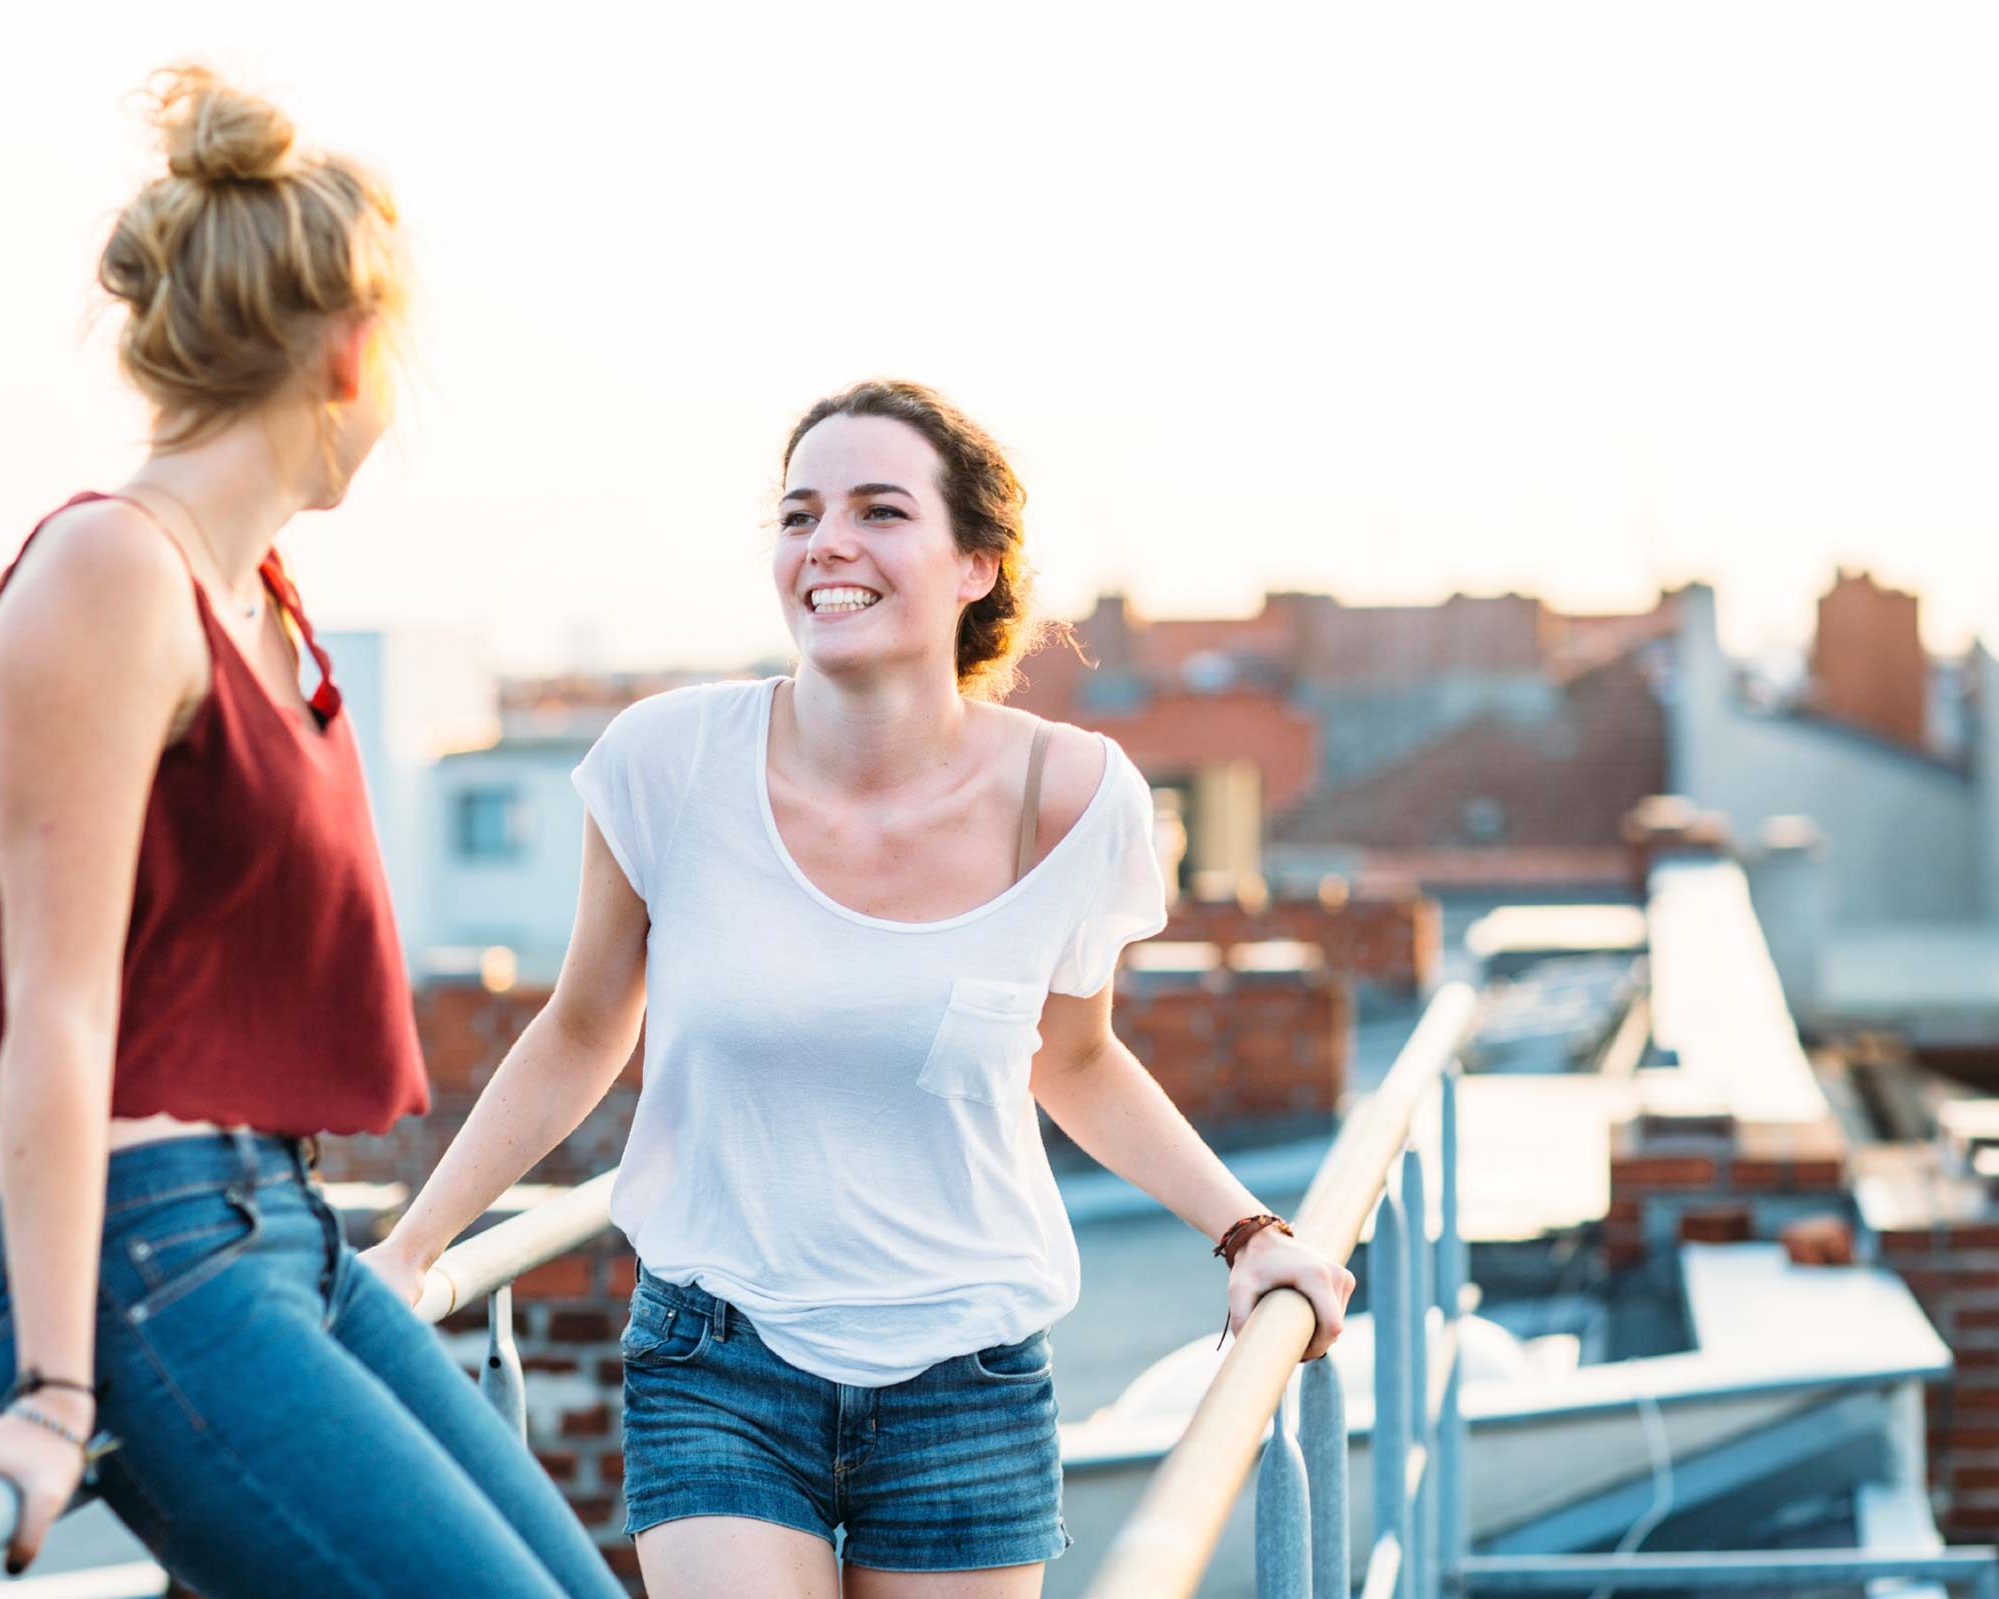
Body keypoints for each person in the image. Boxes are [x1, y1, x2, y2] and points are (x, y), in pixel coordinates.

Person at [365, 380, 1355, 1597]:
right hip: (716, 1356)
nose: (827, 542)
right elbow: (579, 1030)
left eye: (880, 510)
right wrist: (414, 1250)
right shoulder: (665, 763)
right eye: (798, 514)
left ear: (975, 565)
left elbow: (1076, 1057)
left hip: (968, 1374)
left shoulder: (1075, 798)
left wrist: (1248, 1233)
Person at [0, 67, 622, 1599]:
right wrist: (48, 1395)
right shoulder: (111, 571)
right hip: (143, 1259)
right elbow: (58, 1005)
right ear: (352, 352)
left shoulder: (261, 597)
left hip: (274, 1225)